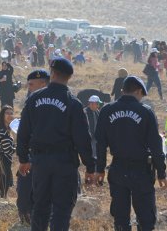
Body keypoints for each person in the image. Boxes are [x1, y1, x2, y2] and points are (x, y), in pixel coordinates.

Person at [16, 57, 95, 231]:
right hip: (64, 163)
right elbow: (83, 139)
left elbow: (23, 132)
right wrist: (90, 166)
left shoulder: (34, 99)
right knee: (61, 210)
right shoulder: (73, 103)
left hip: (40, 162)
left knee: (40, 207)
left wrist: (23, 158)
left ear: (51, 73)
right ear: (69, 77)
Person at [94, 76, 167, 231]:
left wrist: (99, 169)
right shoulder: (146, 112)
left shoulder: (106, 110)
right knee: (146, 220)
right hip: (141, 170)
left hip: (118, 168)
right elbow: (156, 146)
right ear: (139, 91)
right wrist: (161, 173)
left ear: (122, 91)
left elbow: (100, 144)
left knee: (120, 219)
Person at [15, 69, 50, 224]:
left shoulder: (57, 104)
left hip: (47, 159)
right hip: (30, 157)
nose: (28, 88)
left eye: (31, 84)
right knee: (24, 197)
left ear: (43, 83)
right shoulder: (30, 101)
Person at [0, 105, 16, 199]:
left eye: (11, 113)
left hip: (3, 161)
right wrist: (19, 147)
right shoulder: (2, 131)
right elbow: (8, 150)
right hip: (2, 161)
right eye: (7, 113)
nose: (10, 115)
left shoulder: (6, 131)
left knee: (3, 188)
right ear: (2, 115)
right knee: (2, 188)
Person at [85, 95, 101, 160]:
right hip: (88, 139)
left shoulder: (97, 111)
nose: (98, 106)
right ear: (91, 104)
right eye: (97, 104)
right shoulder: (84, 112)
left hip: (95, 138)